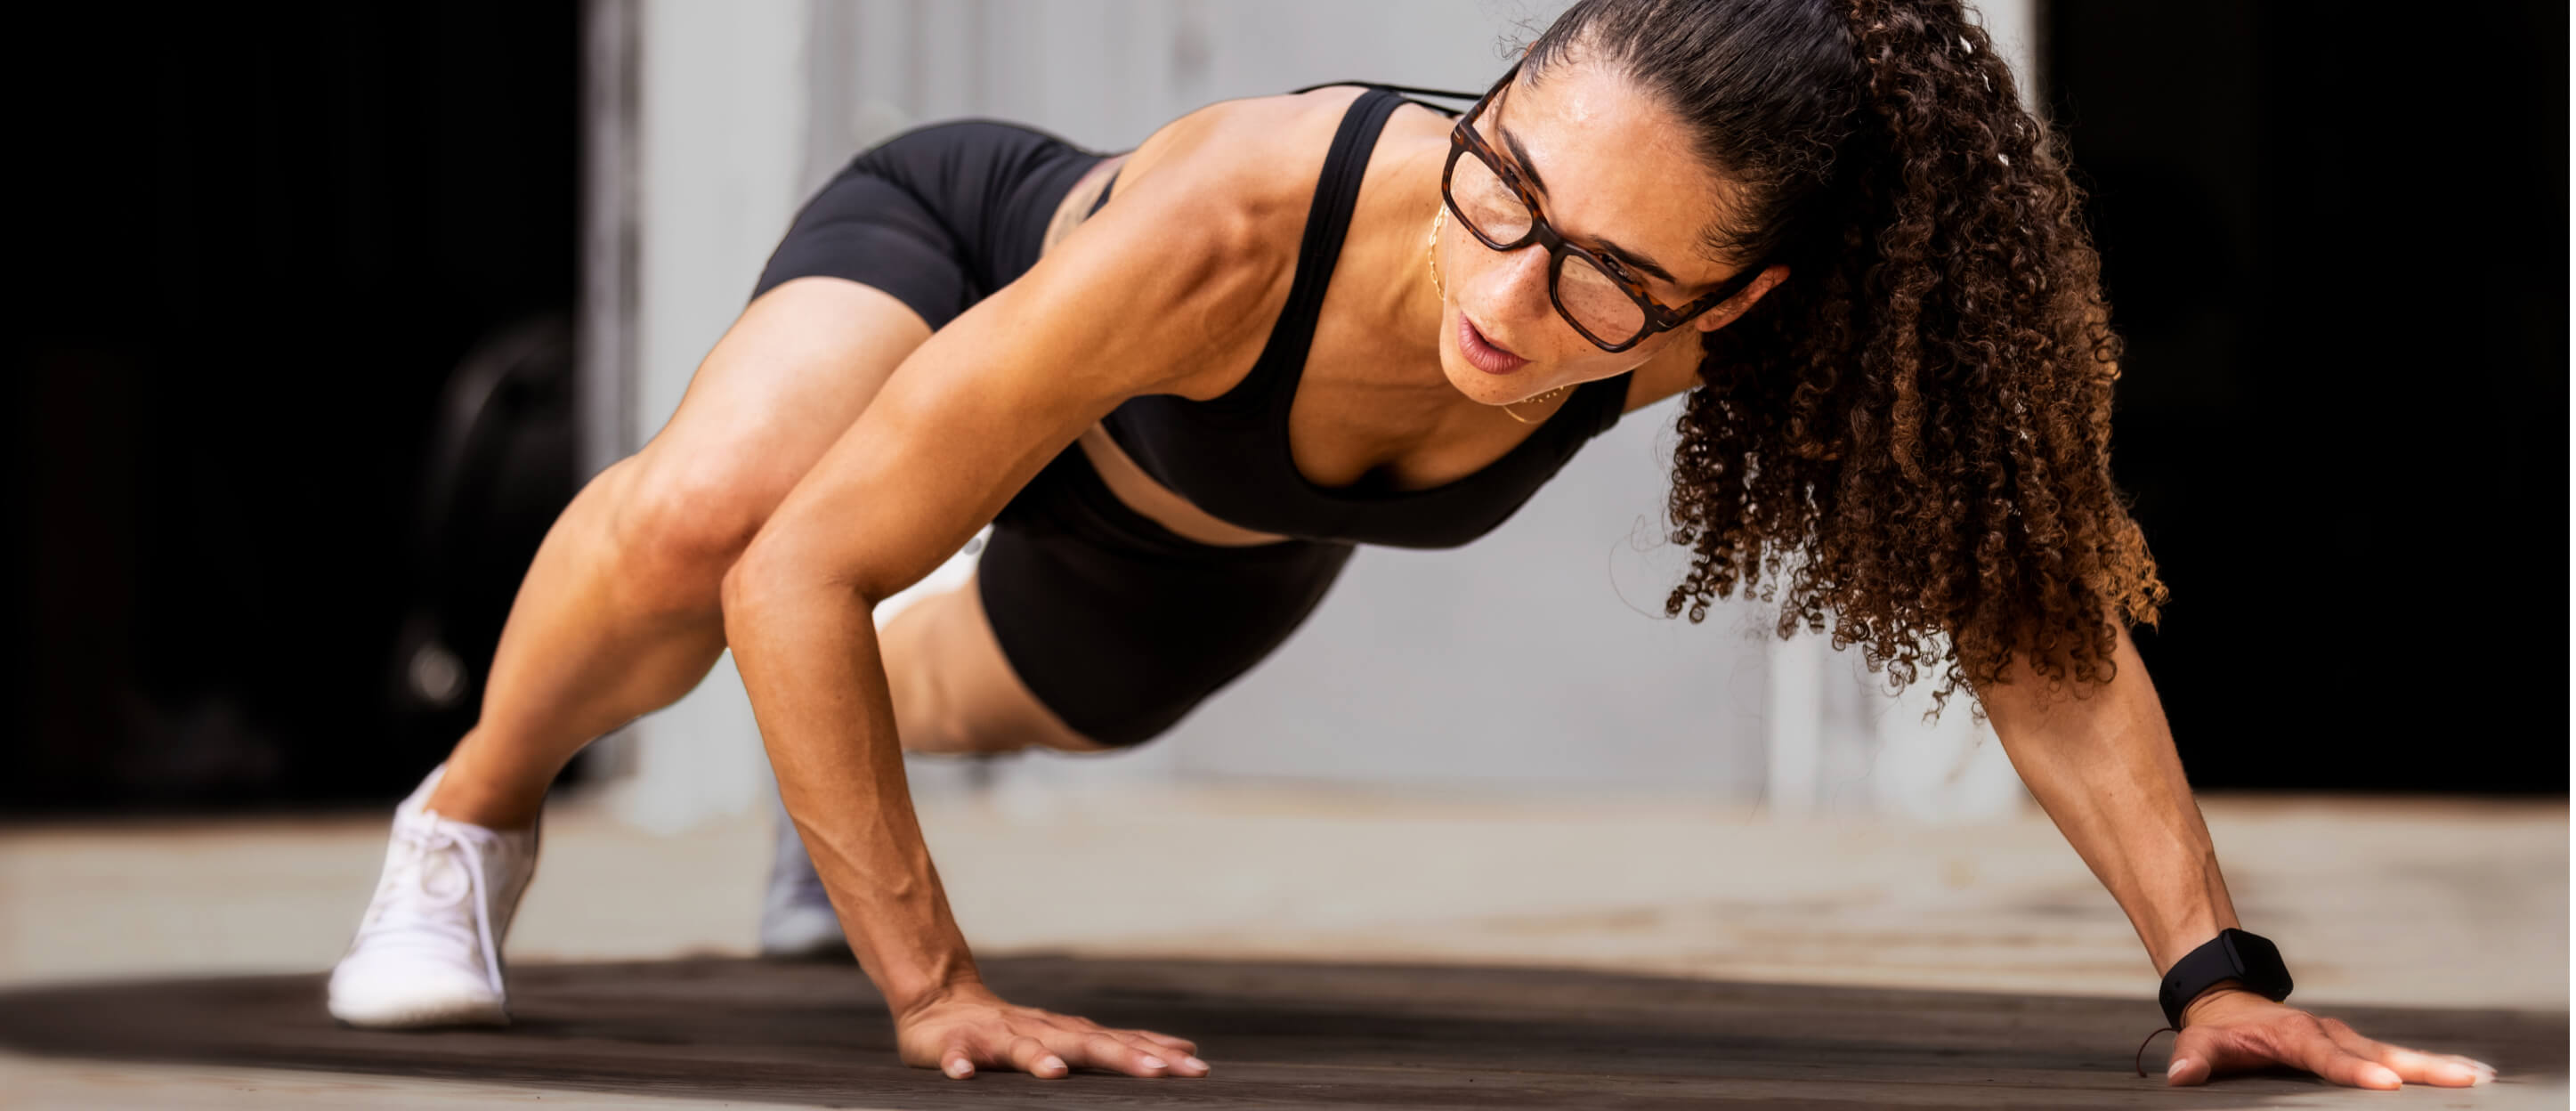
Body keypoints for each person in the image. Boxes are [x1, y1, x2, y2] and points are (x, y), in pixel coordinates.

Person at [322, 0, 2499, 1091]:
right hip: (979, 260)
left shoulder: (1719, 333)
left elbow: (2026, 617)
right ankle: (465, 820)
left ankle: (828, 816)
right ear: (1497, 100)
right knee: (724, 529)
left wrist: (2215, 971)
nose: (1508, 295)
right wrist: (937, 986)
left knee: (962, 696)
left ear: (1734, 308)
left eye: (1605, 283)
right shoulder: (1234, 223)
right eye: (1505, 187)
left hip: (1216, 521)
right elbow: (804, 559)